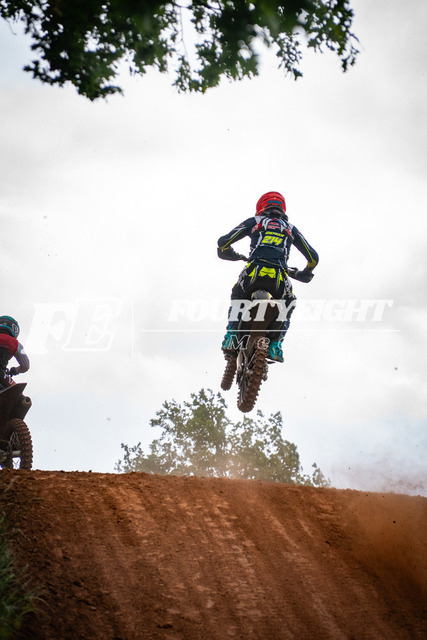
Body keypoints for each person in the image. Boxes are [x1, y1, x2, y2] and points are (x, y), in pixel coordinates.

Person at [217, 191, 319, 363]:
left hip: (253, 273)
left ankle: (231, 335)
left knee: (237, 294)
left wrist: (230, 253)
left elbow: (223, 242)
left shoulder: (255, 221)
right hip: (279, 279)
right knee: (289, 302)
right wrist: (305, 272)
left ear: (261, 206)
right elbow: (313, 257)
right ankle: (275, 345)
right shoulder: (291, 229)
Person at [0, 315, 30, 389]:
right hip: (1, 374)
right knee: (16, 390)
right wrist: (16, 370)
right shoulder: (16, 344)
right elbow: (25, 366)